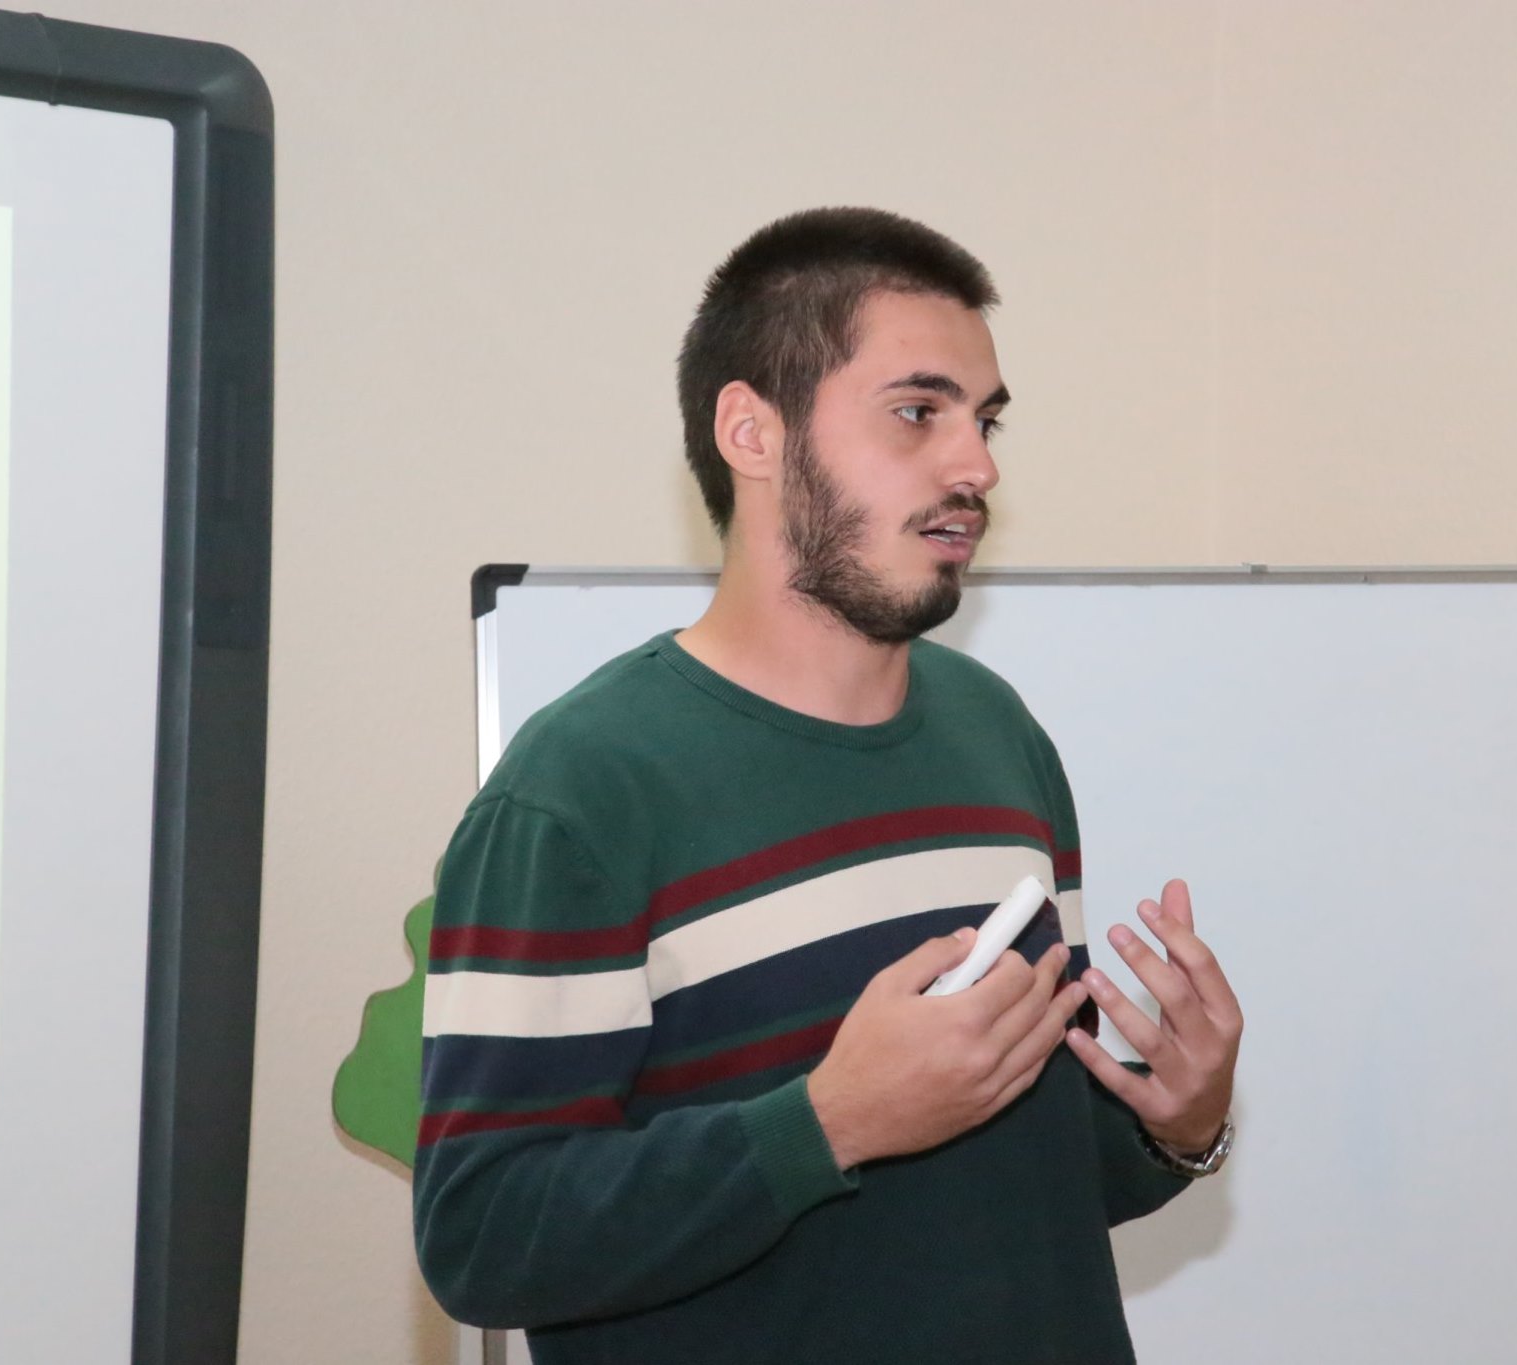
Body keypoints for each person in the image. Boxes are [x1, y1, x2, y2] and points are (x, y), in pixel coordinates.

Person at [413, 207, 1244, 1364]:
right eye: (916, 412)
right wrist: (828, 1123)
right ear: (751, 432)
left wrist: (1177, 1123)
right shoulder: (582, 790)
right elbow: (485, 1242)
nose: (976, 466)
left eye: (985, 419)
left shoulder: (995, 734)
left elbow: (1027, 1180)